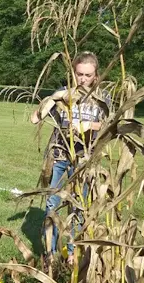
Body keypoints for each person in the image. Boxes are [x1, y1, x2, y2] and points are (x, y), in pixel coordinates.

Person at [35, 52, 112, 259]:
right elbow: (35, 118)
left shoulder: (102, 98)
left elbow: (110, 126)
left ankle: (72, 255)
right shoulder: (63, 94)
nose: (83, 79)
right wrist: (54, 99)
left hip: (84, 161)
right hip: (59, 158)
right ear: (73, 73)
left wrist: (89, 125)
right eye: (79, 74)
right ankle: (50, 255)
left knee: (79, 208)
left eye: (88, 75)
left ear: (96, 76)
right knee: (53, 206)